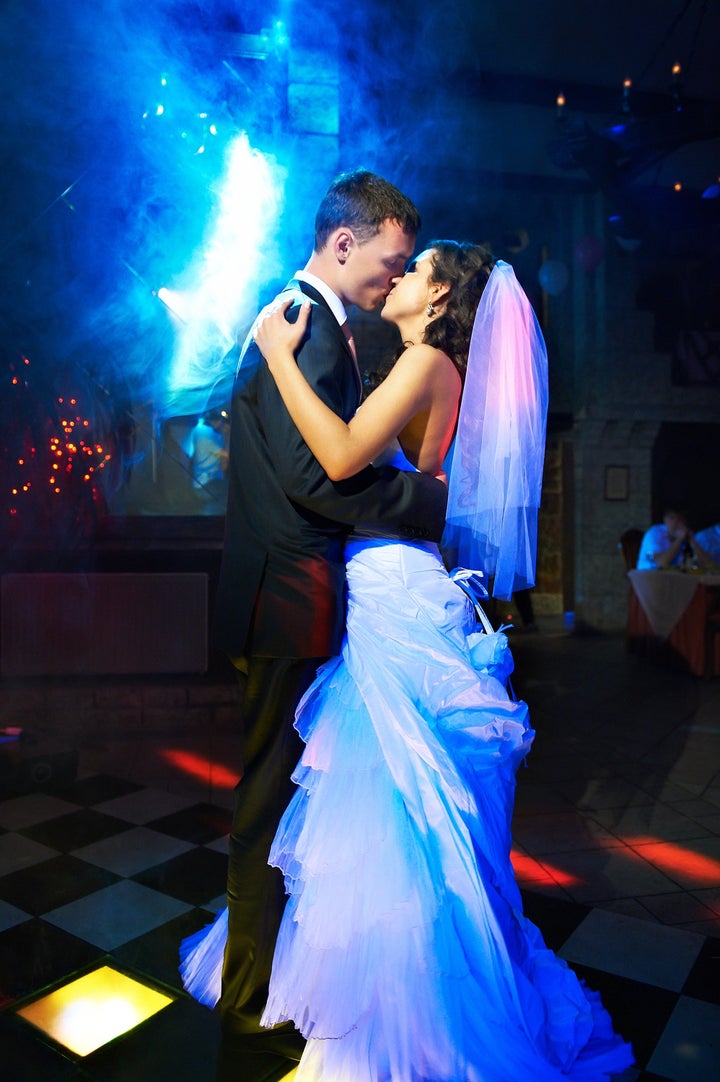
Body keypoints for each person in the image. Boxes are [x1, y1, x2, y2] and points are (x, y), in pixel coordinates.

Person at [183, 242, 634, 1080]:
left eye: (415, 268)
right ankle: (389, 967)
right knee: (395, 793)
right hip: (393, 582)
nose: (398, 278)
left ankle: (398, 993)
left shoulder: (426, 360)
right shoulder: (428, 362)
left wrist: (279, 357)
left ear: (438, 300)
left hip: (389, 586)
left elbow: (346, 458)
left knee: (386, 791)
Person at [208, 170, 448, 1079]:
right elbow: (317, 482)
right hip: (287, 595)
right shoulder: (301, 329)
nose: (392, 281)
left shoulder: (307, 326)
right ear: (344, 244)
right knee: (268, 800)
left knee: (283, 797)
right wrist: (426, 503)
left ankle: (271, 977)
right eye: (388, 263)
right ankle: (248, 1002)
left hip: (286, 592)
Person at [636, 507, 713, 570]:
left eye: (680, 519)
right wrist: (679, 539)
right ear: (665, 519)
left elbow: (709, 564)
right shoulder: (654, 533)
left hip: (672, 580)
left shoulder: (687, 534)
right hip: (649, 578)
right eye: (672, 518)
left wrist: (691, 541)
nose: (676, 523)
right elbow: (662, 563)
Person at [190, 408, 229, 513]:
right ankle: (208, 513)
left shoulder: (201, 430)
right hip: (203, 486)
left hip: (201, 482)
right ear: (215, 420)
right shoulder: (205, 435)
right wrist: (226, 435)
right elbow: (226, 454)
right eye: (220, 420)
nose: (221, 422)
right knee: (229, 490)